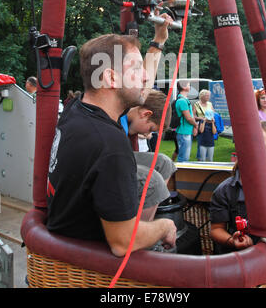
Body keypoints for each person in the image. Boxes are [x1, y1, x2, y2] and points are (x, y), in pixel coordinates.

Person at [47, 30, 177, 256]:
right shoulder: (110, 145)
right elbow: (123, 243)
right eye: (136, 68)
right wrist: (165, 225)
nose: (146, 76)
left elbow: (141, 90)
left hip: (66, 234)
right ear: (111, 78)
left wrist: (158, 41)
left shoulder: (77, 109)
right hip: (92, 261)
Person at [210, 121, 266, 254]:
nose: (251, 149)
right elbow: (216, 229)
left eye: (260, 146)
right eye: (247, 143)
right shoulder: (225, 190)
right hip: (238, 259)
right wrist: (232, 240)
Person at [120, 89, 177, 222]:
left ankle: (152, 209)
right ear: (145, 114)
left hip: (124, 156)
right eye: (151, 129)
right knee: (153, 180)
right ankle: (139, 230)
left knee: (165, 162)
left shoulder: (128, 125)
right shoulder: (117, 117)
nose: (147, 134)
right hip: (110, 161)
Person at [175, 81, 198, 162]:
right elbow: (188, 118)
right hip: (183, 132)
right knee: (183, 158)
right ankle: (180, 174)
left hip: (186, 131)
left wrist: (194, 127)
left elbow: (191, 116)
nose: (190, 86)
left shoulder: (185, 100)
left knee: (185, 156)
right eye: (188, 85)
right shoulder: (182, 101)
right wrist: (196, 125)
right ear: (184, 87)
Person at [193, 89, 214, 159]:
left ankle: (208, 157)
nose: (209, 97)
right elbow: (193, 116)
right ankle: (200, 158)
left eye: (209, 96)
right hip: (201, 125)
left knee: (210, 141)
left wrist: (212, 119)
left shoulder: (210, 104)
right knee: (201, 141)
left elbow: (213, 113)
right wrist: (202, 118)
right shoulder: (196, 104)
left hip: (210, 125)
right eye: (207, 96)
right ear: (202, 96)